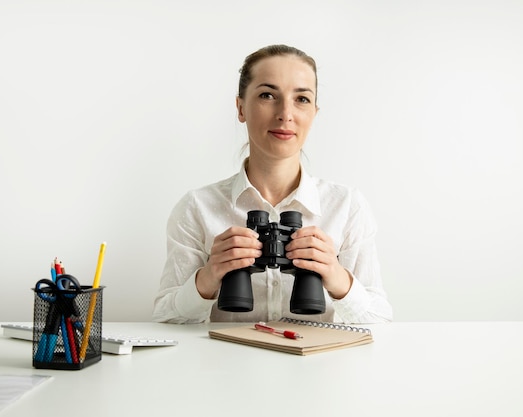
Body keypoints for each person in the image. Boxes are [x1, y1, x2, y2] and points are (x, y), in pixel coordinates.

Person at [153, 44, 392, 324]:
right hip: (225, 365)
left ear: (314, 113)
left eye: (301, 99)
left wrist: (337, 278)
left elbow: (380, 321)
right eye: (267, 95)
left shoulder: (347, 205)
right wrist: (207, 279)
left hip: (316, 366)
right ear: (241, 108)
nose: (285, 114)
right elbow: (165, 320)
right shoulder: (197, 207)